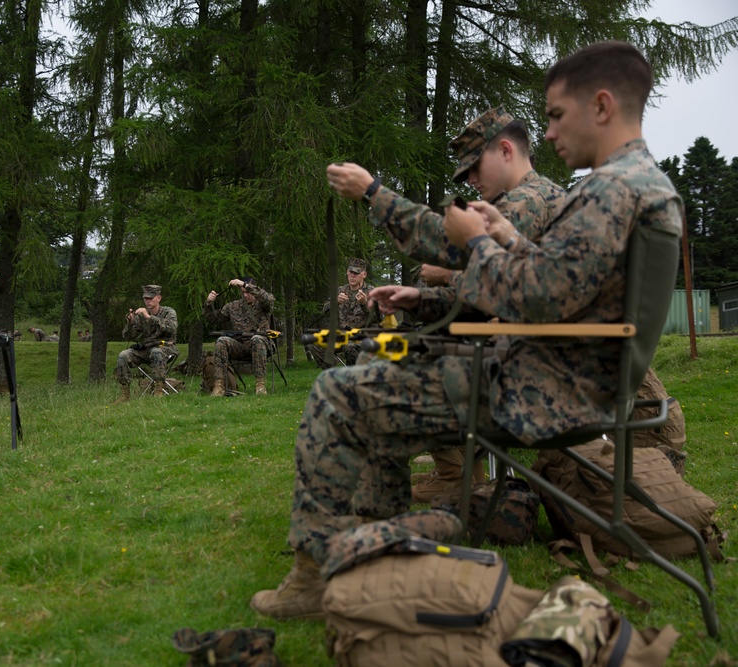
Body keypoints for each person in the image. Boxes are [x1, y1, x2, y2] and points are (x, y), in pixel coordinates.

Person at [250, 41, 682, 621]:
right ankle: (380, 562)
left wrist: (474, 240)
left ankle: (314, 574)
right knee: (377, 398)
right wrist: (502, 239)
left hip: (543, 391)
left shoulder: (612, 190)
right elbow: (564, 286)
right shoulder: (638, 184)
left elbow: (535, 296)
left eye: (556, 114)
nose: (550, 133)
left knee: (339, 394)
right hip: (570, 380)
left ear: (601, 105)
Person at [405, 107, 568, 504]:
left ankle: (455, 472)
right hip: (545, 355)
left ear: (506, 150)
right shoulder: (544, 195)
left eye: (475, 169)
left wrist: (442, 278)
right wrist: (419, 297)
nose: (472, 181)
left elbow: (493, 285)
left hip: (538, 367)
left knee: (404, 362)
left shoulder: (523, 204)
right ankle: (462, 471)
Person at [204, 277, 276, 396]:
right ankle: (219, 386)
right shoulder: (233, 306)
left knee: (257, 339)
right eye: (243, 292)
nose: (246, 295)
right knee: (222, 341)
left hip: (262, 344)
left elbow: (267, 299)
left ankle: (260, 385)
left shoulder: (263, 304)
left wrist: (245, 284)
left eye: (248, 292)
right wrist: (209, 303)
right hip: (241, 346)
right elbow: (213, 319)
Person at [304, 257, 374, 368]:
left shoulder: (372, 292)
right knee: (314, 343)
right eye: (351, 272)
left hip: (362, 337)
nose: (353, 275)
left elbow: (379, 318)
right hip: (342, 335)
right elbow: (325, 309)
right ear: (347, 272)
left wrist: (364, 304)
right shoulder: (340, 290)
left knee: (350, 347)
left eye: (357, 273)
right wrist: (335, 301)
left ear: (364, 274)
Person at [114, 284, 178, 401]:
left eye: (151, 298)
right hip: (146, 349)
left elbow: (172, 328)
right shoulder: (140, 315)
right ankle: (125, 394)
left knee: (156, 351)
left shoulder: (169, 312)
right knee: (123, 355)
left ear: (158, 298)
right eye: (145, 299)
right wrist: (131, 322)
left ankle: (158, 390)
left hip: (166, 347)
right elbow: (127, 336)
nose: (147, 301)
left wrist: (149, 318)